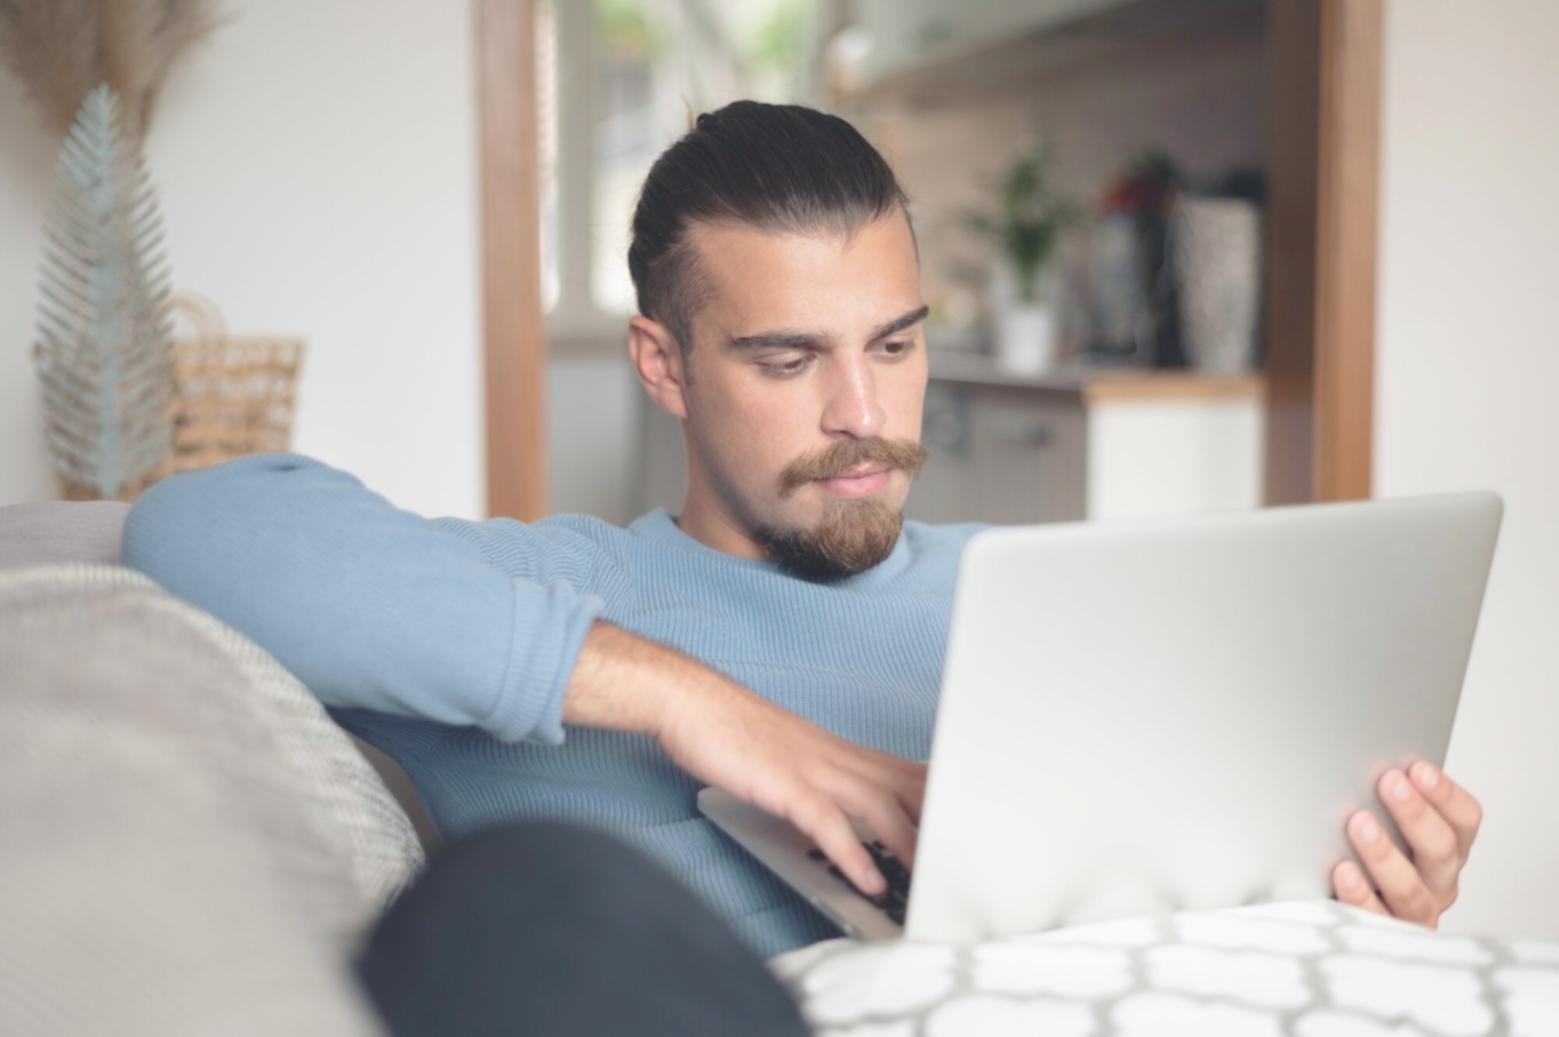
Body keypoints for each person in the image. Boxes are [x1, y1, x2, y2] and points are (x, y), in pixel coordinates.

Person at [122, 101, 1483, 961]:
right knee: (497, 924)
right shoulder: (559, 602)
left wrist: (1364, 909)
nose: (862, 412)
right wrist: (681, 699)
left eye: (894, 345)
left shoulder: (1054, 610)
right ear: (665, 366)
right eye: (788, 360)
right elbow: (195, 527)